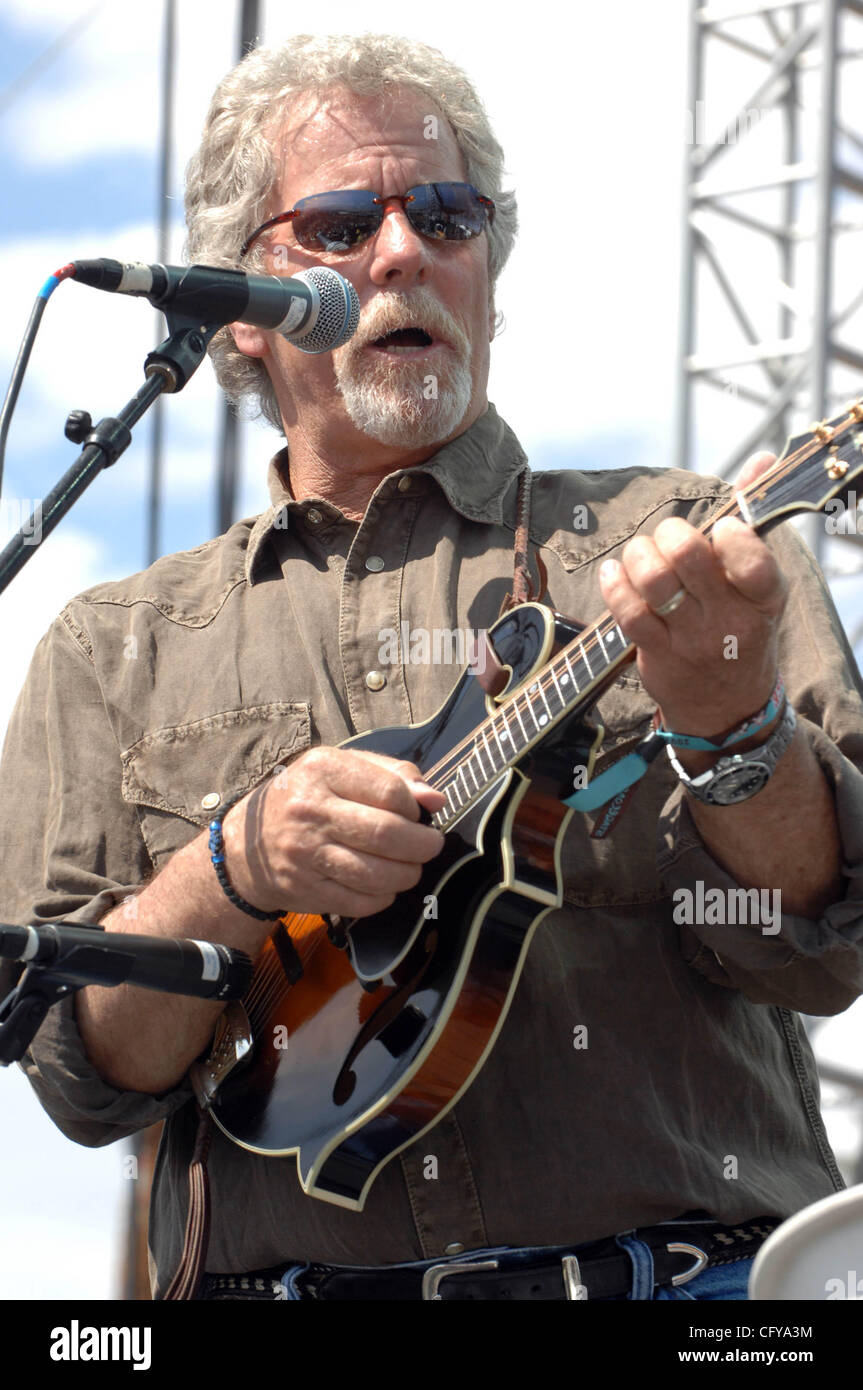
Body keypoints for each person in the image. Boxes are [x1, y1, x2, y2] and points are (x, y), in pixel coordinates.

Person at [1, 33, 862, 1303]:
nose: (402, 251)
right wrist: (226, 872)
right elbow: (84, 1076)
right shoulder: (107, 647)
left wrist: (735, 732)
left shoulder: (676, 542)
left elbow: (823, 949)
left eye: (445, 215)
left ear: (487, 273)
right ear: (241, 313)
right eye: (342, 225)